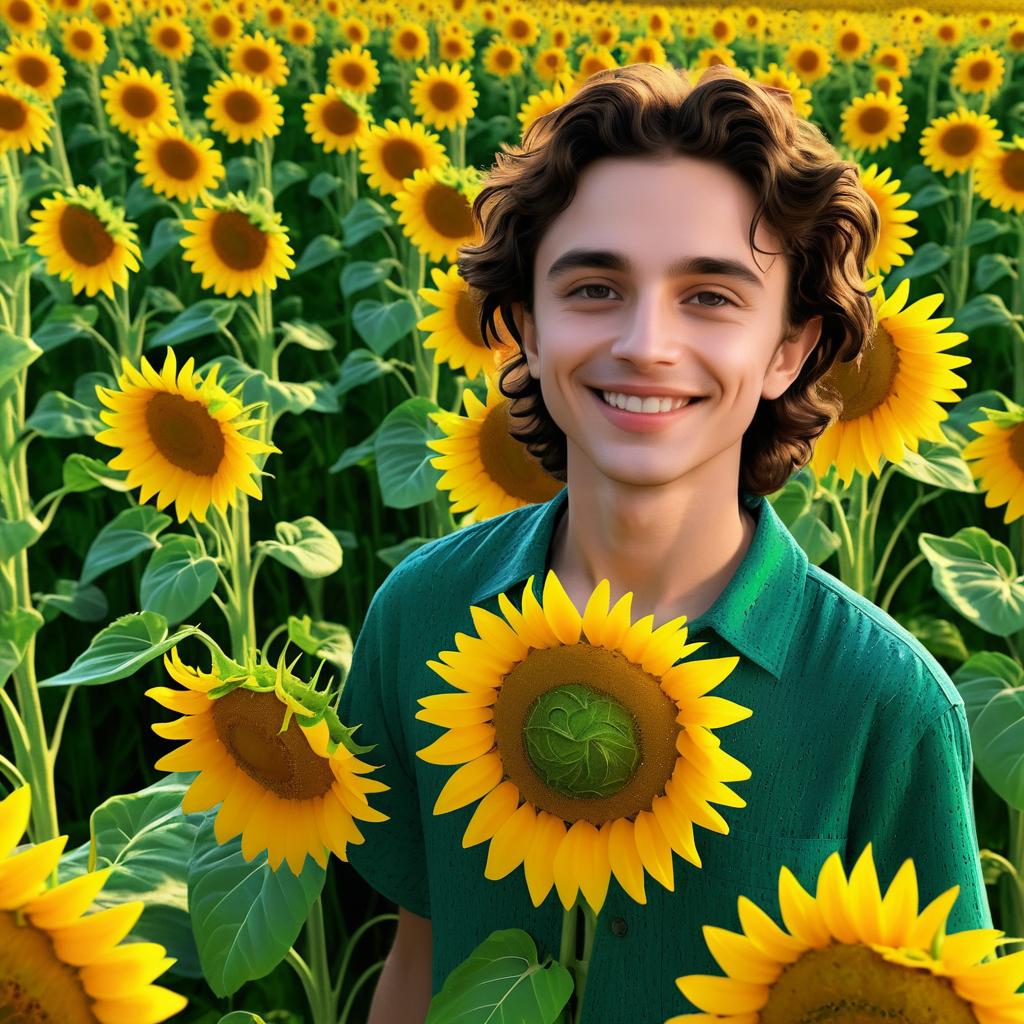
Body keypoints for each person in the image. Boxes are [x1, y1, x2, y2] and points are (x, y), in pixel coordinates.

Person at [337, 63, 994, 1023]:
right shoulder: (423, 614)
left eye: (711, 297)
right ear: (525, 321)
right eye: (596, 287)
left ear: (791, 350)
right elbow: (419, 950)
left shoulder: (883, 704)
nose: (646, 342)